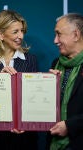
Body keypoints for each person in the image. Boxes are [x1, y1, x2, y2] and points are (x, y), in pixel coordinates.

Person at [0, 10, 38, 150]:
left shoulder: (30, 60)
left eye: (22, 31)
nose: (20, 36)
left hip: (23, 138)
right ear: (0, 34)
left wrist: (24, 124)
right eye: (15, 32)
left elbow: (32, 99)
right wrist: (0, 78)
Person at [47, 13, 83, 150]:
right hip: (53, 142)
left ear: (76, 35)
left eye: (59, 34)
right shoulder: (56, 63)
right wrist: (46, 85)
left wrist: (70, 125)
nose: (55, 40)